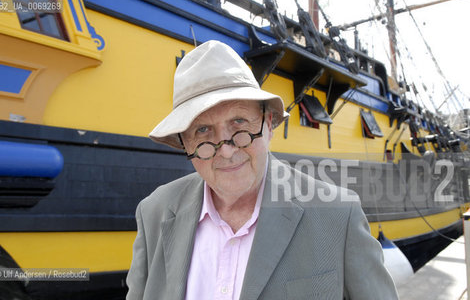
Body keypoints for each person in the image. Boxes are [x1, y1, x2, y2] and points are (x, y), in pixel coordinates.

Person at [126, 40, 399, 300]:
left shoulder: (339, 216)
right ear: (185, 142)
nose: (226, 150)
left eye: (239, 123)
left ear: (268, 125)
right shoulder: (154, 212)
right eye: (203, 130)